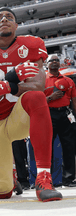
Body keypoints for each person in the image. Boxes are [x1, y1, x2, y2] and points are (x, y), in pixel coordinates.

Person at [0, 7, 62, 202]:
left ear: (16, 25)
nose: (4, 19)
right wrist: (11, 78)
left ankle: (43, 178)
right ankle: (11, 179)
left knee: (35, 97)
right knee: (2, 192)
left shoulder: (32, 45)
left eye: (9, 17)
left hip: (20, 115)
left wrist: (7, 86)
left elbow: (38, 86)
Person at [44, 54, 76, 187]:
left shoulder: (68, 80)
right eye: (52, 60)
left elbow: (74, 101)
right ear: (47, 64)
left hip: (65, 114)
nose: (55, 62)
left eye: (57, 60)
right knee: (48, 149)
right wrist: (50, 98)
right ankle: (47, 180)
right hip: (48, 114)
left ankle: (68, 179)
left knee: (69, 147)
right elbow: (36, 101)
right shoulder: (41, 80)